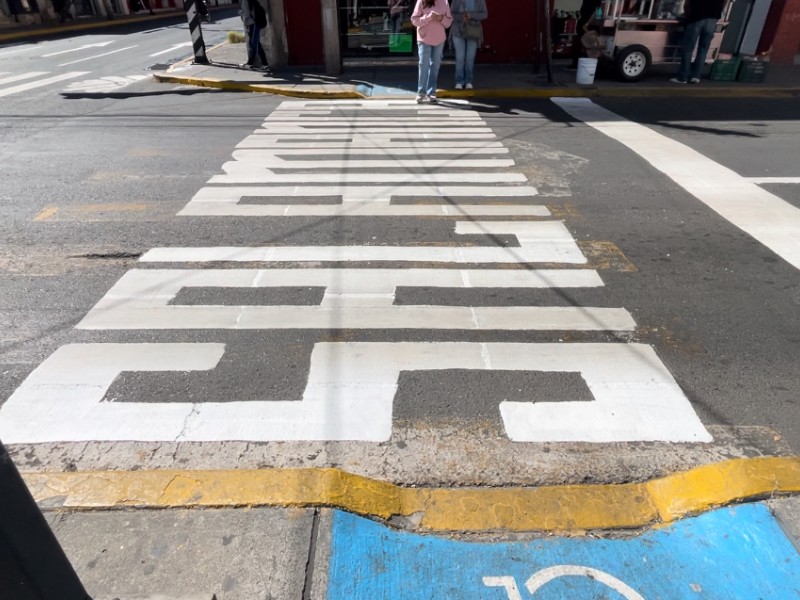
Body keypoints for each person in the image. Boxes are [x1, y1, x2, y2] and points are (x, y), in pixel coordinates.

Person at [671, 0, 726, 83]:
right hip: (712, 19)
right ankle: (696, 76)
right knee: (703, 49)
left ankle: (683, 77)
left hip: (696, 18)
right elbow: (724, 2)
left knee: (688, 49)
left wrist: (687, 16)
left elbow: (687, 4)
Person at [410, 0, 452, 104]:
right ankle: (421, 92)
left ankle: (431, 92)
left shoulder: (444, 2)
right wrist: (427, 17)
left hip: (439, 39)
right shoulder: (421, 1)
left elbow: (448, 22)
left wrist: (441, 18)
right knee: (423, 64)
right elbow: (414, 20)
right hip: (424, 38)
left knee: (435, 65)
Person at [449, 0, 488, 90]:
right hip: (458, 31)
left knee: (470, 58)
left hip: (473, 31)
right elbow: (451, 14)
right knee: (460, 57)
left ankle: (468, 81)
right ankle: (459, 81)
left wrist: (471, 16)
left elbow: (484, 14)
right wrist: (462, 17)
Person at [566, 0, 601, 70]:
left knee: (587, 44)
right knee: (581, 44)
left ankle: (585, 65)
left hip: (589, 24)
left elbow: (598, 11)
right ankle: (580, 64)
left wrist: (588, 23)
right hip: (586, 23)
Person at [240, 0, 270, 72]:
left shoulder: (245, 1)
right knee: (254, 44)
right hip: (255, 23)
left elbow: (246, 14)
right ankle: (250, 63)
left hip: (252, 24)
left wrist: (245, 22)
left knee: (255, 44)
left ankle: (265, 65)